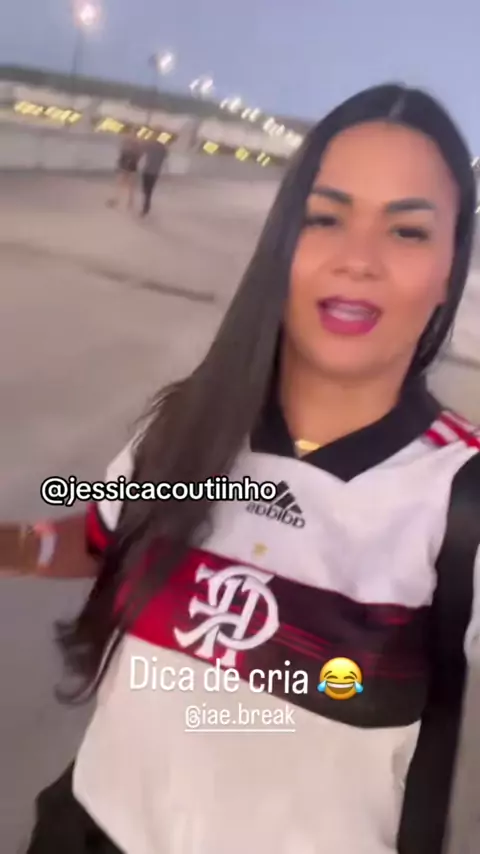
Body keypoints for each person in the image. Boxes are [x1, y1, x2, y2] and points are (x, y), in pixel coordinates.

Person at [2, 83, 480, 854]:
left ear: (451, 267)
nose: (358, 259)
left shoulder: (458, 495)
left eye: (407, 231)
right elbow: (97, 535)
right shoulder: (191, 422)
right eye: (326, 218)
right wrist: (13, 544)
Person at [107, 125, 142, 211]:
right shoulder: (134, 142)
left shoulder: (131, 142)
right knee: (126, 183)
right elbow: (137, 155)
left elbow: (124, 153)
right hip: (129, 164)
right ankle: (125, 201)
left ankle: (122, 200)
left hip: (128, 164)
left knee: (125, 183)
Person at [140, 137, 167, 217]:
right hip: (155, 172)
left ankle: (146, 206)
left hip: (147, 170)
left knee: (146, 190)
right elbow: (164, 160)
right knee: (149, 190)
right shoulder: (163, 149)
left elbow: (143, 151)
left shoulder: (150, 147)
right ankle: (146, 206)